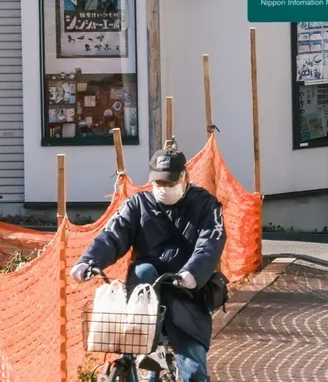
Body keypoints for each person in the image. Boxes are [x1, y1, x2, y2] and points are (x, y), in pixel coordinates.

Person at [70, 148, 227, 382]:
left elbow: (210, 245)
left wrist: (192, 273)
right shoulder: (137, 204)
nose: (163, 187)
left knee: (193, 371)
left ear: (184, 176)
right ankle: (137, 361)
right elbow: (112, 235)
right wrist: (89, 261)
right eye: (158, 181)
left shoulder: (205, 205)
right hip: (144, 297)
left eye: (169, 181)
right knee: (143, 271)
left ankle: (165, 360)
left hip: (187, 294)